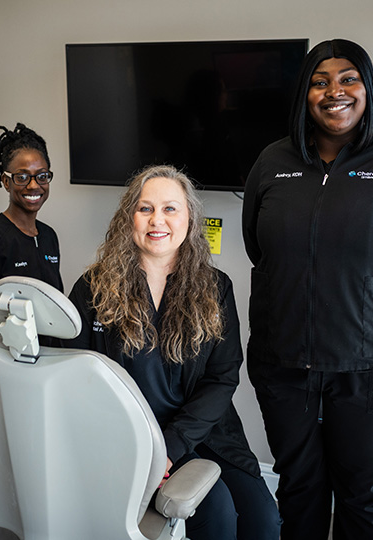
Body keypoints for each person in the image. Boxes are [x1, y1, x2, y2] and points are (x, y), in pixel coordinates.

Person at [242, 39, 373, 540]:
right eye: (320, 81)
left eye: (348, 79)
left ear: (368, 89)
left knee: (366, 496)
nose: (334, 91)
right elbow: (261, 249)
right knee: (298, 488)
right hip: (286, 364)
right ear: (304, 93)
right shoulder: (273, 162)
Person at [66, 165, 280, 540]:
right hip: (131, 439)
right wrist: (147, 449)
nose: (156, 220)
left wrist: (173, 444)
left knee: (262, 518)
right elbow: (75, 376)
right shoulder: (93, 289)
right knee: (218, 516)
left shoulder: (216, 288)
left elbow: (222, 376)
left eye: (170, 208)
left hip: (204, 430)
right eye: (145, 208)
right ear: (128, 218)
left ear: (190, 218)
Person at [0, 123, 63, 334]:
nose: (34, 185)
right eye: (22, 177)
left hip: (48, 358)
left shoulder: (49, 237)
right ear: (6, 182)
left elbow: (56, 307)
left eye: (42, 176)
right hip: (9, 359)